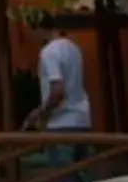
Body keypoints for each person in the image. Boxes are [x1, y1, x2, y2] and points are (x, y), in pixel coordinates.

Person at [26, 28, 91, 174]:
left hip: (60, 123)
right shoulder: (74, 49)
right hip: (82, 119)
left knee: (65, 180)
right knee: (84, 181)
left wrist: (41, 113)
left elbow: (58, 90)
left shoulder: (48, 52)